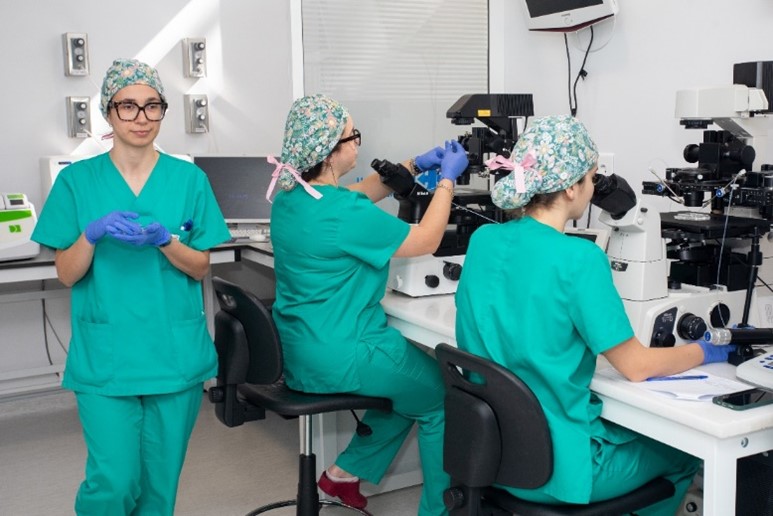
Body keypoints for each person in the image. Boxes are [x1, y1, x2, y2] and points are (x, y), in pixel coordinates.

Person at [455, 115, 733, 515]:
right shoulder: (579, 258)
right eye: (592, 178)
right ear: (571, 186)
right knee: (683, 453)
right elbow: (635, 366)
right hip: (555, 469)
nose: (593, 188)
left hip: (491, 454)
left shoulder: (483, 240)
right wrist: (705, 351)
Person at [31, 58, 231, 515]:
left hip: (172, 354)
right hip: (108, 358)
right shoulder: (77, 182)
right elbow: (66, 273)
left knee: (160, 490)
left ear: (163, 111)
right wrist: (91, 234)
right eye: (127, 106)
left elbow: (200, 266)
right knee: (114, 483)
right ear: (108, 111)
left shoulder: (189, 180)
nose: (141, 118)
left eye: (152, 106)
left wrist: (165, 241)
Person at [266, 94, 468, 515]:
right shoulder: (342, 215)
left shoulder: (290, 196)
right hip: (349, 350)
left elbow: (358, 195)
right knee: (442, 398)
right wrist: (448, 180)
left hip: (304, 350)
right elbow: (425, 240)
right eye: (352, 137)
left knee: (410, 390)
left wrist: (415, 164)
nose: (359, 144)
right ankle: (440, 510)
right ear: (329, 151)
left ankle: (343, 475)